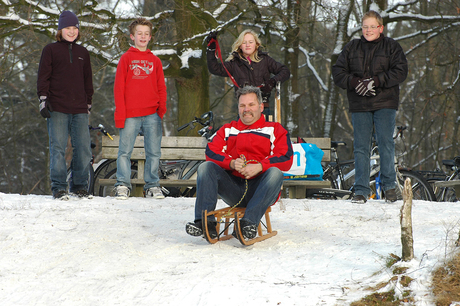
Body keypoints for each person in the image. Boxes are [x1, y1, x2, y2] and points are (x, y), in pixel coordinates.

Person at [185, 86, 293, 240]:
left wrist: (260, 166)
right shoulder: (228, 130)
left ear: (261, 107)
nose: (246, 109)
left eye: (251, 105)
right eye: (242, 105)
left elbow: (285, 157)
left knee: (275, 173)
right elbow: (211, 152)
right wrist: (231, 163)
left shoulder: (274, 129)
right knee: (205, 167)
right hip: (234, 189)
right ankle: (205, 223)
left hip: (261, 188)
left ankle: (248, 223)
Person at [332, 10, 408, 204]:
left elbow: (400, 71)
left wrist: (375, 81)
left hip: (385, 102)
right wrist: (355, 82)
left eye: (372, 26)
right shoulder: (352, 47)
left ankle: (390, 187)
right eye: (365, 26)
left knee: (385, 144)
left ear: (380, 28)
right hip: (360, 104)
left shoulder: (392, 46)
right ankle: (361, 190)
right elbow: (338, 72)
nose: (368, 30)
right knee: (361, 147)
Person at [37, 11, 94, 200]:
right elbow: (43, 76)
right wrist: (43, 100)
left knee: (84, 149)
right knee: (58, 148)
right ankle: (59, 187)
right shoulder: (50, 50)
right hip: (57, 107)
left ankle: (79, 186)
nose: (71, 31)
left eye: (74, 28)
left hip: (79, 109)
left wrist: (88, 102)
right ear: (60, 30)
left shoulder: (83, 53)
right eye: (67, 28)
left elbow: (88, 81)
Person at [113, 17, 167, 200]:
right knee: (125, 152)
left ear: (150, 37)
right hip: (130, 115)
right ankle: (122, 184)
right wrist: (120, 114)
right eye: (139, 34)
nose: (142, 37)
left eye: (146, 34)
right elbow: (119, 88)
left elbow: (161, 88)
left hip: (152, 114)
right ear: (132, 36)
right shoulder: (126, 58)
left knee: (154, 152)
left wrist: (161, 110)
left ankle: (152, 186)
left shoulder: (155, 61)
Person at [206, 29, 290, 118]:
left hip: (262, 108)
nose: (248, 45)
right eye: (244, 42)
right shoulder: (234, 63)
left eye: (250, 42)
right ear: (240, 46)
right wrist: (211, 48)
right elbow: (214, 69)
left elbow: (285, 71)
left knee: (262, 132)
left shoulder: (265, 60)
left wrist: (272, 82)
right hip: (244, 111)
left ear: (256, 44)